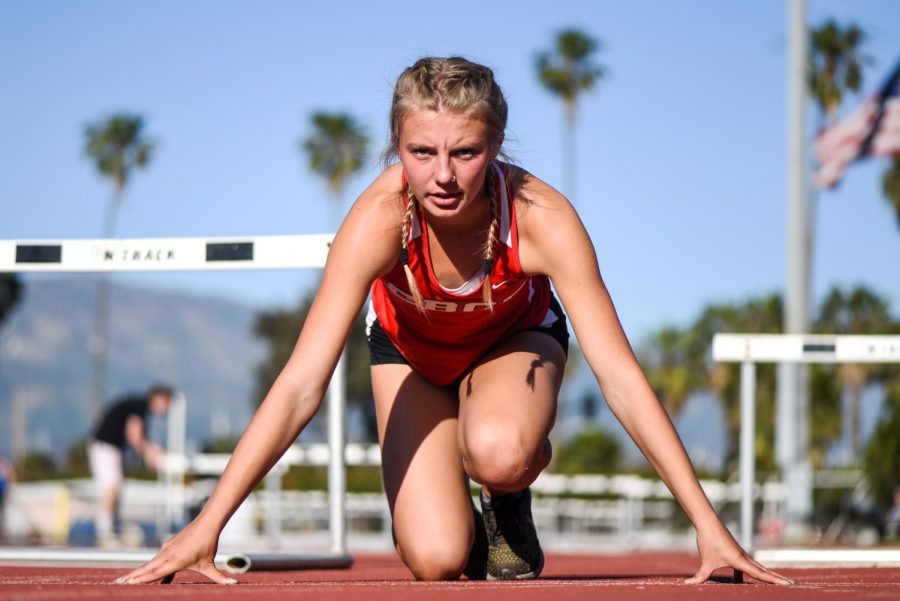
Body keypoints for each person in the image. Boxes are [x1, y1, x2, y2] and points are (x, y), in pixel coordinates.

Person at [118, 57, 792, 585]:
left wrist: (708, 524)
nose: (442, 175)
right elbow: (301, 382)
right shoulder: (378, 221)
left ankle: (508, 488)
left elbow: (619, 375)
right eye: (421, 152)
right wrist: (208, 525)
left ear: (496, 143)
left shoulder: (542, 219)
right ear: (397, 144)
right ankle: (456, 512)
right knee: (437, 559)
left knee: (498, 447)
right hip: (411, 358)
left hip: (511, 346)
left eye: (465, 153)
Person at [89, 383, 173, 546]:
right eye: (166, 402)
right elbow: (134, 435)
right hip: (105, 446)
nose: (166, 408)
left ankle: (113, 527)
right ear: (158, 398)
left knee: (116, 487)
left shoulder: (138, 407)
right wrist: (149, 454)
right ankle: (104, 531)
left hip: (113, 448)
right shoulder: (139, 407)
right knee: (111, 486)